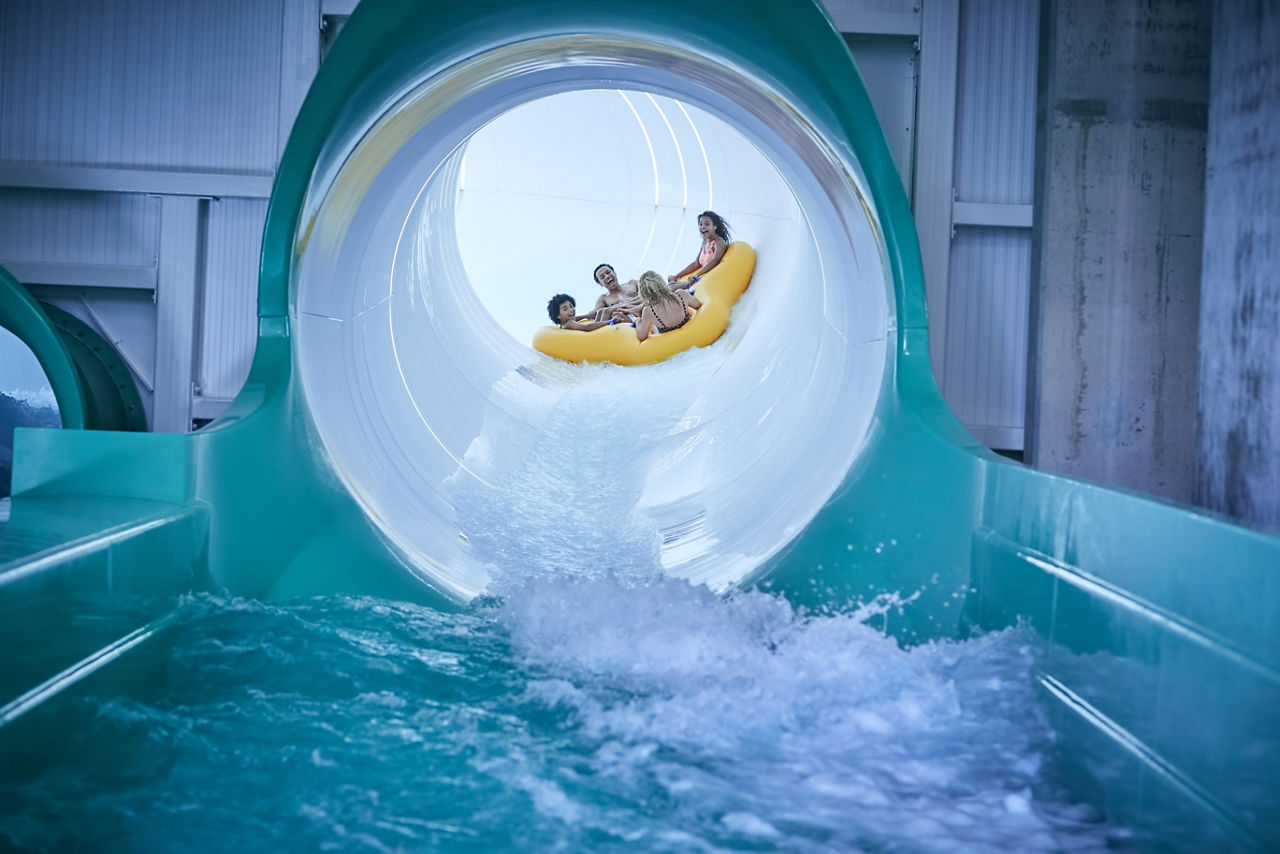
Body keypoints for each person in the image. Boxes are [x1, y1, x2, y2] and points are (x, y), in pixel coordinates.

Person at [614, 270, 702, 342]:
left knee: (649, 323)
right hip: (692, 333)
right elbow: (698, 306)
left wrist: (638, 321)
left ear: (643, 293)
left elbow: (642, 336)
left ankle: (636, 312)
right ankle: (636, 310)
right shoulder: (681, 294)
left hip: (668, 340)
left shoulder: (648, 311)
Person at [669, 210, 731, 286]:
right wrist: (676, 276)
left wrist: (696, 275)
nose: (702, 227)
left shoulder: (719, 242)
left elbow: (715, 261)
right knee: (670, 285)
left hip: (708, 280)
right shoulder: (705, 242)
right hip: (701, 277)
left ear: (715, 226)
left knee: (671, 288)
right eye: (700, 224)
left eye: (707, 224)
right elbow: (696, 264)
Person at [546, 294, 612, 331]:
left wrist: (587, 316)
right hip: (593, 337)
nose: (571, 310)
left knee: (601, 312)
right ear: (558, 316)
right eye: (565, 309)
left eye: (571, 306)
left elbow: (575, 318)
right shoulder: (569, 323)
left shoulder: (564, 324)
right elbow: (587, 327)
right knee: (604, 312)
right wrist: (610, 321)